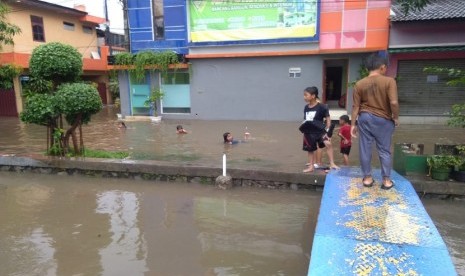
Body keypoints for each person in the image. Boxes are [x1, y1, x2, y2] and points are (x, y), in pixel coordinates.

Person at [350, 54, 399, 190]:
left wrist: (353, 124)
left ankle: (367, 179)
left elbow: (355, 107)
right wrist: (396, 117)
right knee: (384, 150)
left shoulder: (359, 84)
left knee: (365, 149)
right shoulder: (389, 81)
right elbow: (393, 102)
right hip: (384, 119)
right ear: (383, 67)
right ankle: (386, 181)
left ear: (367, 69)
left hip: (364, 118)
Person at [300, 86, 339, 173]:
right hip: (309, 132)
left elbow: (328, 119)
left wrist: (328, 132)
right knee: (310, 149)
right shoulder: (306, 107)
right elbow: (305, 119)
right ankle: (311, 166)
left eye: (306, 95)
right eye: (304, 95)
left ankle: (332, 163)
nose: (304, 97)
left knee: (328, 144)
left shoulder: (322, 107)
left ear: (313, 96)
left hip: (320, 131)